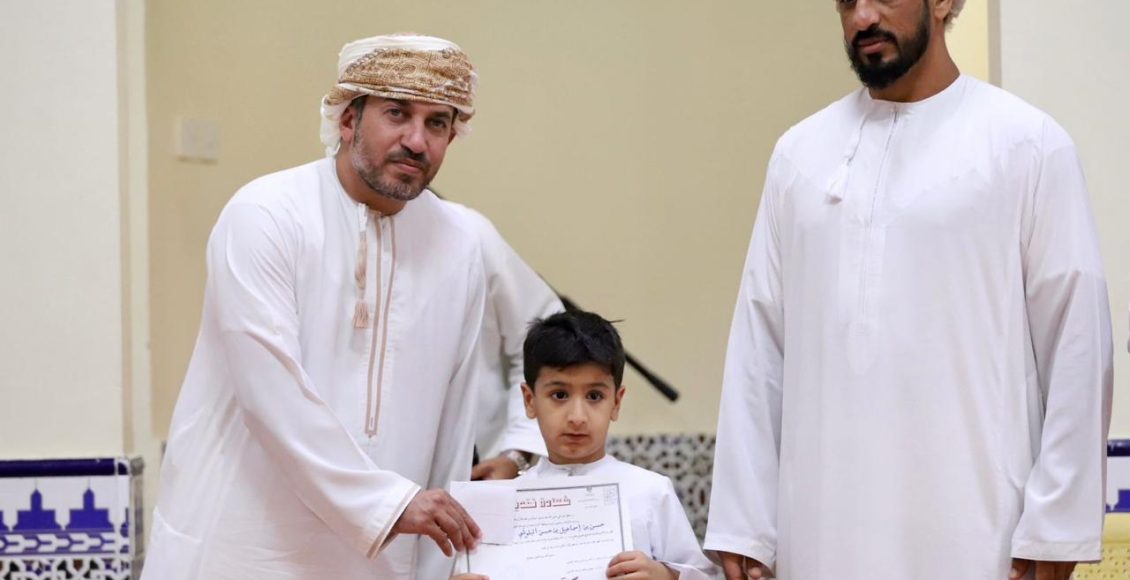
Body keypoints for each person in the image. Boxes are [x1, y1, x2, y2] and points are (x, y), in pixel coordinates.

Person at [705, 1, 1113, 579]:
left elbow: (1077, 343)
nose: (862, 17)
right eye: (847, 1)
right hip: (819, 533)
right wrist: (745, 525)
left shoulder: (1028, 144)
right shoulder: (799, 155)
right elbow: (758, 347)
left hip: (981, 535)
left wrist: (1055, 529)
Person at [142, 33, 493, 579]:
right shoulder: (266, 214)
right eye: (397, 113)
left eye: (437, 123)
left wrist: (443, 567)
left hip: (381, 561)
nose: (417, 141)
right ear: (348, 119)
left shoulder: (460, 243)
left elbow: (454, 420)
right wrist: (389, 504)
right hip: (243, 550)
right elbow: (271, 393)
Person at [456, 310, 719, 579]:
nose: (577, 417)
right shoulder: (500, 506)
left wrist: (664, 575)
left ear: (616, 402)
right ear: (529, 400)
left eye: (594, 396)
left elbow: (702, 575)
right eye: (559, 395)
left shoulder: (651, 491)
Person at [444, 201, 560, 481]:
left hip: (478, 473)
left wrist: (517, 454)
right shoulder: (336, 235)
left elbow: (545, 337)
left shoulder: (467, 234)